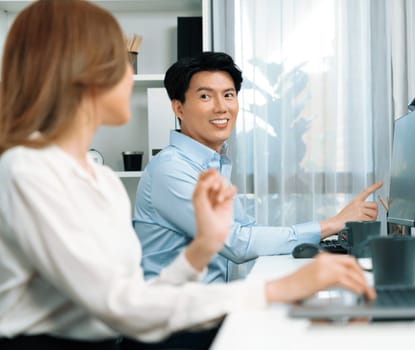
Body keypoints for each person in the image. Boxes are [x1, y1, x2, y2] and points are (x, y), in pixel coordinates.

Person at [0, 1, 375, 349]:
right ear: (78, 76)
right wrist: (274, 290)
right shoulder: (29, 171)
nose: (130, 77)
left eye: (228, 95)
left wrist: (202, 248)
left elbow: (140, 296)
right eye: (118, 64)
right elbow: (124, 306)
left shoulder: (98, 179)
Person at [133, 52, 383, 283]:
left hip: (206, 309)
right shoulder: (170, 170)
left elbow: (246, 231)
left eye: (229, 95)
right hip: (173, 322)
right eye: (205, 96)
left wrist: (328, 230)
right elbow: (235, 243)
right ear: (179, 108)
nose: (222, 107)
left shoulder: (213, 163)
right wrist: (333, 224)